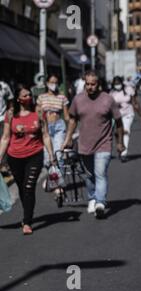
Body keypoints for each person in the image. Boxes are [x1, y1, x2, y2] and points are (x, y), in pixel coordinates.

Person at [61, 70, 125, 219]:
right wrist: (68, 139)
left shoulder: (108, 100)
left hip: (104, 143)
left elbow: (119, 123)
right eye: (87, 84)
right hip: (84, 144)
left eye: (93, 84)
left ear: (99, 85)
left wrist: (120, 142)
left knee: (100, 173)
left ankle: (100, 203)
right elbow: (72, 120)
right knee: (89, 176)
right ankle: (92, 197)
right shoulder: (78, 100)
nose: (89, 87)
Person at [0, 87, 56, 235]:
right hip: (15, 157)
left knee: (29, 187)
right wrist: (0, 157)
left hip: (34, 155)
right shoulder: (11, 114)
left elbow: (45, 135)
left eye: (30, 94)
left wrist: (51, 155)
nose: (28, 97)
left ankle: (27, 221)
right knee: (22, 188)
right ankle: (28, 213)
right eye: (25, 95)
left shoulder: (38, 113)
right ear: (18, 99)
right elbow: (5, 137)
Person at [36, 74, 70, 205]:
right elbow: (37, 114)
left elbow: (66, 116)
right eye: (51, 82)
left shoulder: (62, 97)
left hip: (59, 127)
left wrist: (71, 132)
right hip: (46, 129)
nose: (53, 84)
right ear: (47, 83)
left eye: (56, 82)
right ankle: (55, 181)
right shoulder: (41, 98)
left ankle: (57, 188)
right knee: (47, 158)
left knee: (59, 155)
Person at [109, 76, 138, 163]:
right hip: (116, 116)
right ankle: (120, 147)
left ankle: (123, 153)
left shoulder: (128, 89)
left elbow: (134, 101)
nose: (117, 85)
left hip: (128, 114)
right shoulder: (111, 93)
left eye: (119, 83)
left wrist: (140, 112)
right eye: (116, 84)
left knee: (125, 131)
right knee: (117, 134)